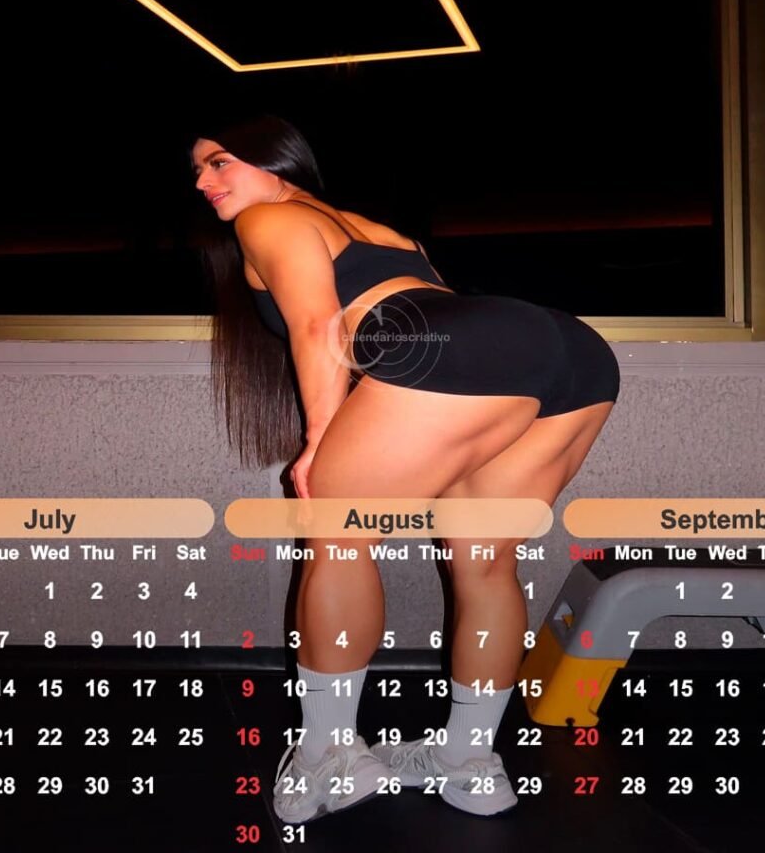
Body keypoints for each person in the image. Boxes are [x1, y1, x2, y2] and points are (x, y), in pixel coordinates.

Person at [192, 114, 620, 824]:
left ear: (276, 163)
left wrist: (320, 439)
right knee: (485, 559)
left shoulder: (269, 218)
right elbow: (444, 326)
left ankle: (329, 755)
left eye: (219, 161)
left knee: (339, 540)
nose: (204, 182)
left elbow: (317, 326)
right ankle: (469, 762)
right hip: (570, 351)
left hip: (457, 347)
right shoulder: (381, 231)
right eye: (197, 171)